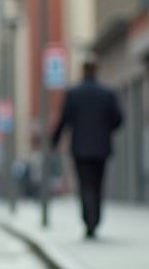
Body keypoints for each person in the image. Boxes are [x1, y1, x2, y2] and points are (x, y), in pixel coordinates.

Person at [50, 56, 124, 239]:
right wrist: (105, 130)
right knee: (98, 185)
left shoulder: (74, 93)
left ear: (83, 71)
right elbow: (119, 119)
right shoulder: (107, 93)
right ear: (96, 70)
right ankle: (96, 220)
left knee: (85, 186)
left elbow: (64, 119)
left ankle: (88, 221)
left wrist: (54, 141)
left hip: (80, 149)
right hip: (101, 148)